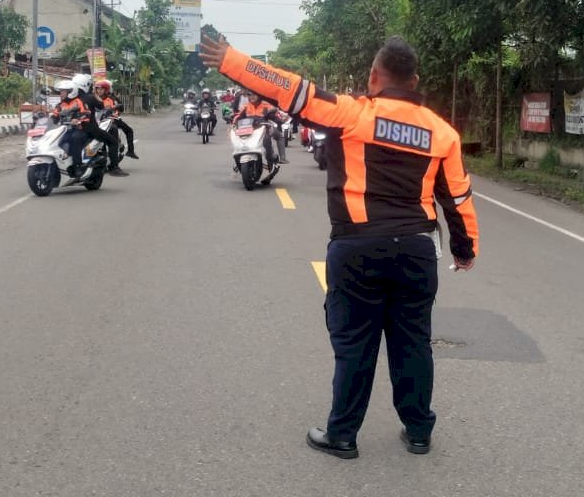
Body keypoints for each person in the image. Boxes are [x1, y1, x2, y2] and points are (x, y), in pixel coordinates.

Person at [198, 33, 479, 459]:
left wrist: (232, 61)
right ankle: (419, 432)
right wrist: (465, 248)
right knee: (413, 343)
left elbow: (291, 90)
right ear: (415, 80)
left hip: (358, 249)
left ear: (373, 76)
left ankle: (343, 435)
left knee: (355, 343)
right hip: (417, 252)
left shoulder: (353, 113)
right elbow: (456, 198)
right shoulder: (443, 133)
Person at [55, 76, 127, 177]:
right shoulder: (88, 97)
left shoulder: (69, 100)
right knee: (112, 142)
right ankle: (114, 167)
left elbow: (57, 115)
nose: (62, 93)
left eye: (64, 91)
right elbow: (100, 106)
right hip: (89, 128)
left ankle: (77, 164)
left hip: (71, 128)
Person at [231, 88, 286, 165]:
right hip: (249, 131)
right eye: (249, 95)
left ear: (259, 96)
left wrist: (280, 119)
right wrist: (234, 121)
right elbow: (238, 116)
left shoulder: (266, 106)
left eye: (254, 95)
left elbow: (276, 116)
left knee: (279, 136)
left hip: (264, 129)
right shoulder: (246, 107)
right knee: (237, 140)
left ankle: (281, 158)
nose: (252, 97)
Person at [95, 79, 138, 162]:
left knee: (129, 130)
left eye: (101, 89)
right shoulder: (94, 99)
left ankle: (130, 151)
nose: (99, 91)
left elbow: (121, 107)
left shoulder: (111, 98)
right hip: (98, 121)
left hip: (112, 119)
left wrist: (115, 109)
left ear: (106, 89)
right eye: (97, 89)